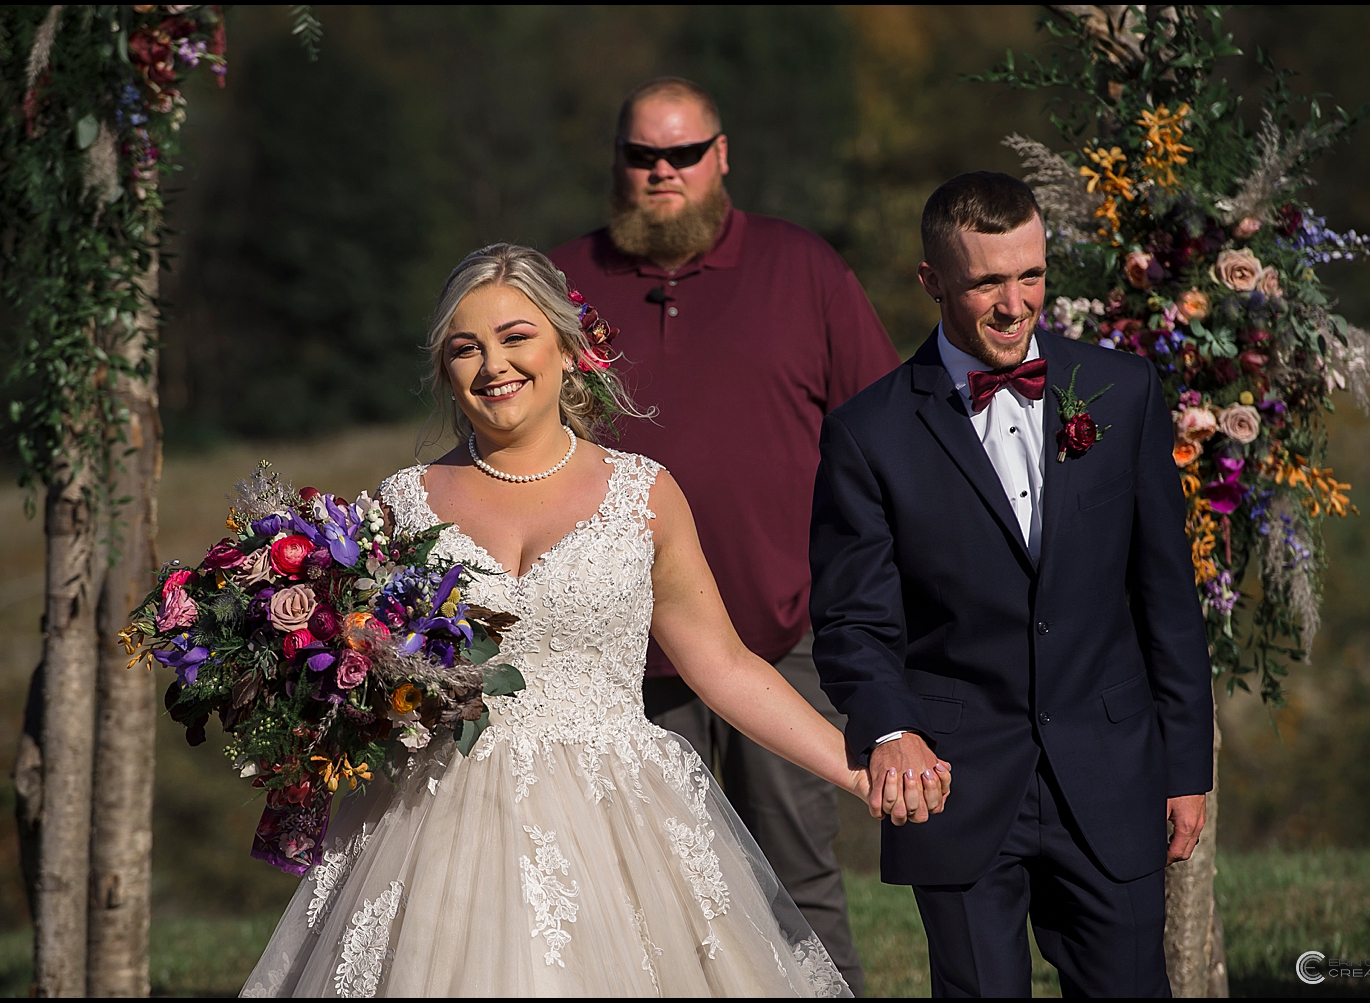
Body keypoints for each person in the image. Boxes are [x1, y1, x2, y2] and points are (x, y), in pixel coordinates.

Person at [240, 243, 948, 998]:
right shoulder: (401, 505)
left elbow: (724, 666)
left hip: (616, 824)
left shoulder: (644, 495)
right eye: (465, 348)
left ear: (569, 347)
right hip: (434, 826)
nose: (492, 366)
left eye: (516, 337)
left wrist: (856, 765)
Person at [809, 172, 1214, 997]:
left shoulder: (1125, 392)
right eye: (987, 281)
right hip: (956, 784)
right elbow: (853, 622)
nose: (1014, 302)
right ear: (931, 282)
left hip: (1112, 770)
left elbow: (1166, 595)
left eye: (1030, 275)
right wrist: (890, 731)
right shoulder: (867, 432)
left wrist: (1185, 764)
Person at [549, 78, 899, 995]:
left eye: (684, 153)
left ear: (722, 155)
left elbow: (886, 432)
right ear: (617, 161)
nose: (662, 172)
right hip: (616, 656)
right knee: (634, 894)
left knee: (795, 885)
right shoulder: (555, 283)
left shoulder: (802, 268)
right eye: (642, 155)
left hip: (781, 639)